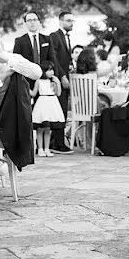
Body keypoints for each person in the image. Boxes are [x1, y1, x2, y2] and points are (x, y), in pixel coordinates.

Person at [48, 11, 76, 154]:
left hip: (65, 77)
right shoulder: (54, 36)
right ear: (60, 21)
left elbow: (65, 58)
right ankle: (57, 143)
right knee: (59, 110)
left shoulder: (67, 38)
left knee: (63, 110)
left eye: (72, 20)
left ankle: (56, 141)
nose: (71, 23)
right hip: (58, 79)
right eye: (69, 20)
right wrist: (62, 76)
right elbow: (54, 59)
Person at [12, 11, 58, 86]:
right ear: (25, 23)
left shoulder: (47, 39)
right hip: (26, 80)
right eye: (29, 20)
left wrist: (54, 77)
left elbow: (52, 59)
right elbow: (17, 62)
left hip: (45, 79)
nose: (32, 22)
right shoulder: (19, 41)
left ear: (39, 22)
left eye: (35, 20)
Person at [31, 61, 65, 157]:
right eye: (49, 70)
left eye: (52, 69)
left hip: (52, 104)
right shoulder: (39, 81)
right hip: (42, 104)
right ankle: (40, 148)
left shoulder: (53, 82)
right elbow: (34, 93)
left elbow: (58, 93)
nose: (52, 72)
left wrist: (58, 83)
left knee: (47, 129)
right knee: (40, 128)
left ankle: (47, 148)